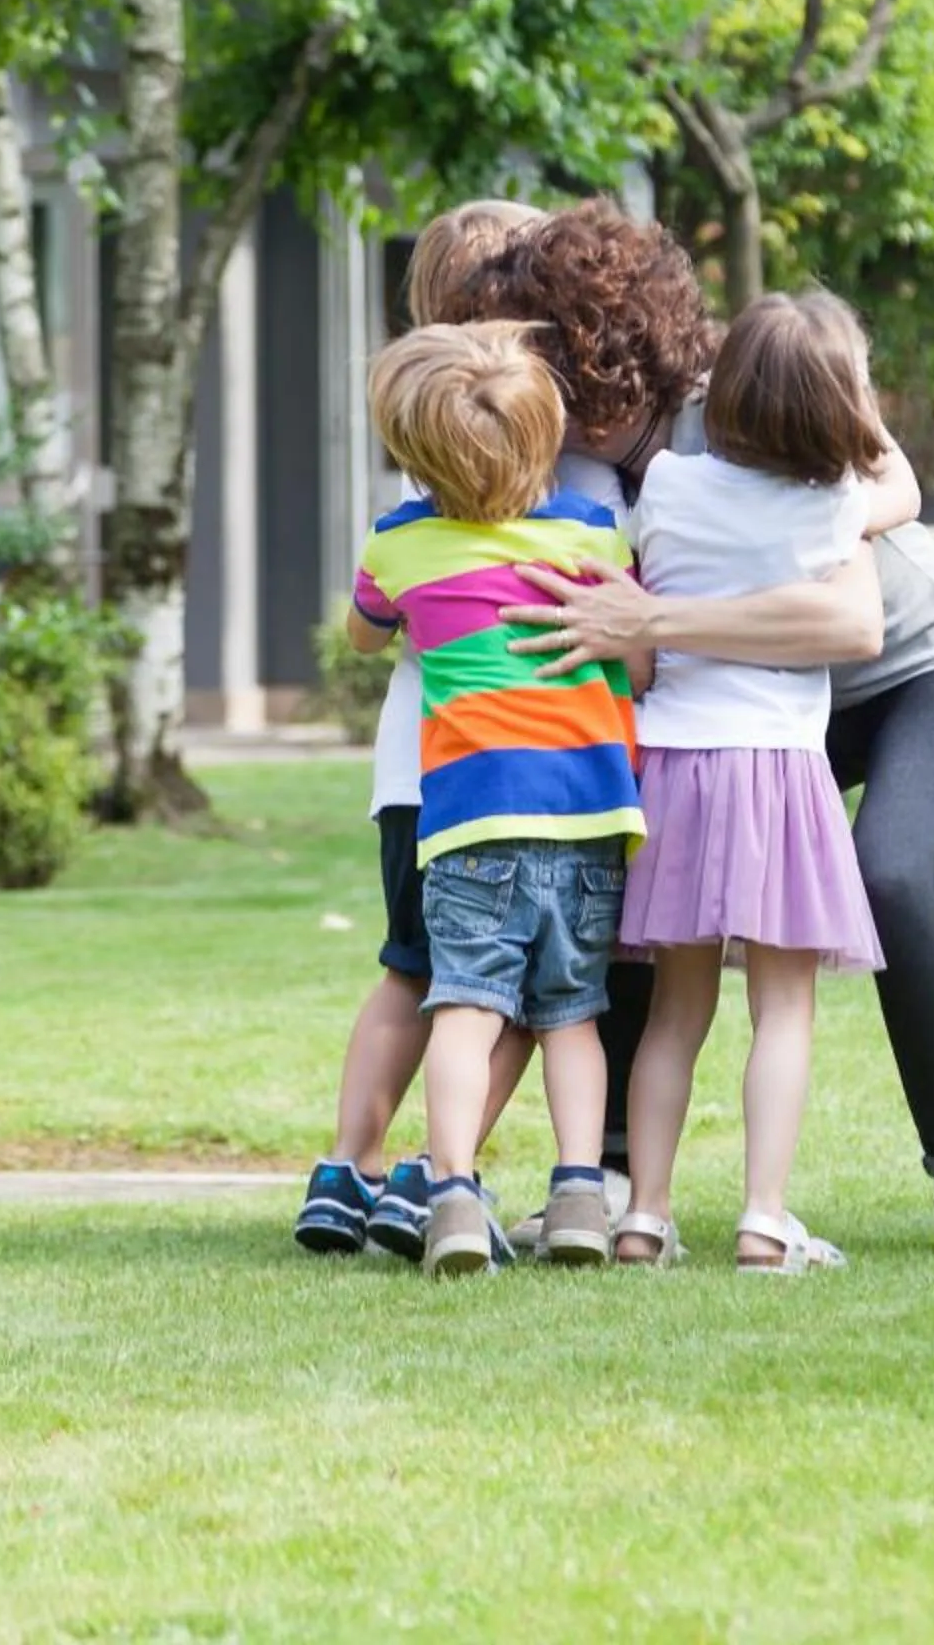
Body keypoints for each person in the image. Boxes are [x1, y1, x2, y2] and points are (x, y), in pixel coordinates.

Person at [462, 202, 934, 1261]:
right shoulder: (588, 469)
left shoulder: (745, 398)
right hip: (763, 710)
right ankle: (626, 1183)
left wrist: (683, 604)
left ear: (602, 370)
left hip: (925, 676)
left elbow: (865, 579)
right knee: (628, 867)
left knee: (891, 875)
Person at [341, 320, 646, 1276]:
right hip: (590, 813)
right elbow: (639, 648)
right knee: (574, 1016)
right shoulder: (593, 535)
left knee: (465, 1012)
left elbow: (363, 635)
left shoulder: (399, 547)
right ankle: (581, 1196)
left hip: (470, 818)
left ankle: (455, 1198)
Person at [292, 199, 555, 1260]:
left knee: (408, 969)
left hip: (411, 769)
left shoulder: (427, 436)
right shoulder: (525, 447)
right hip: (506, 776)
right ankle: (431, 1178)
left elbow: (365, 632)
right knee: (513, 994)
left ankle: (344, 1169)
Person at [613, 293, 891, 1274]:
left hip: (675, 766)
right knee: (784, 1008)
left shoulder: (668, 484)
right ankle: (764, 1219)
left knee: (673, 1013)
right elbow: (889, 478)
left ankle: (643, 1214)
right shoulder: (835, 507)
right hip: (778, 770)